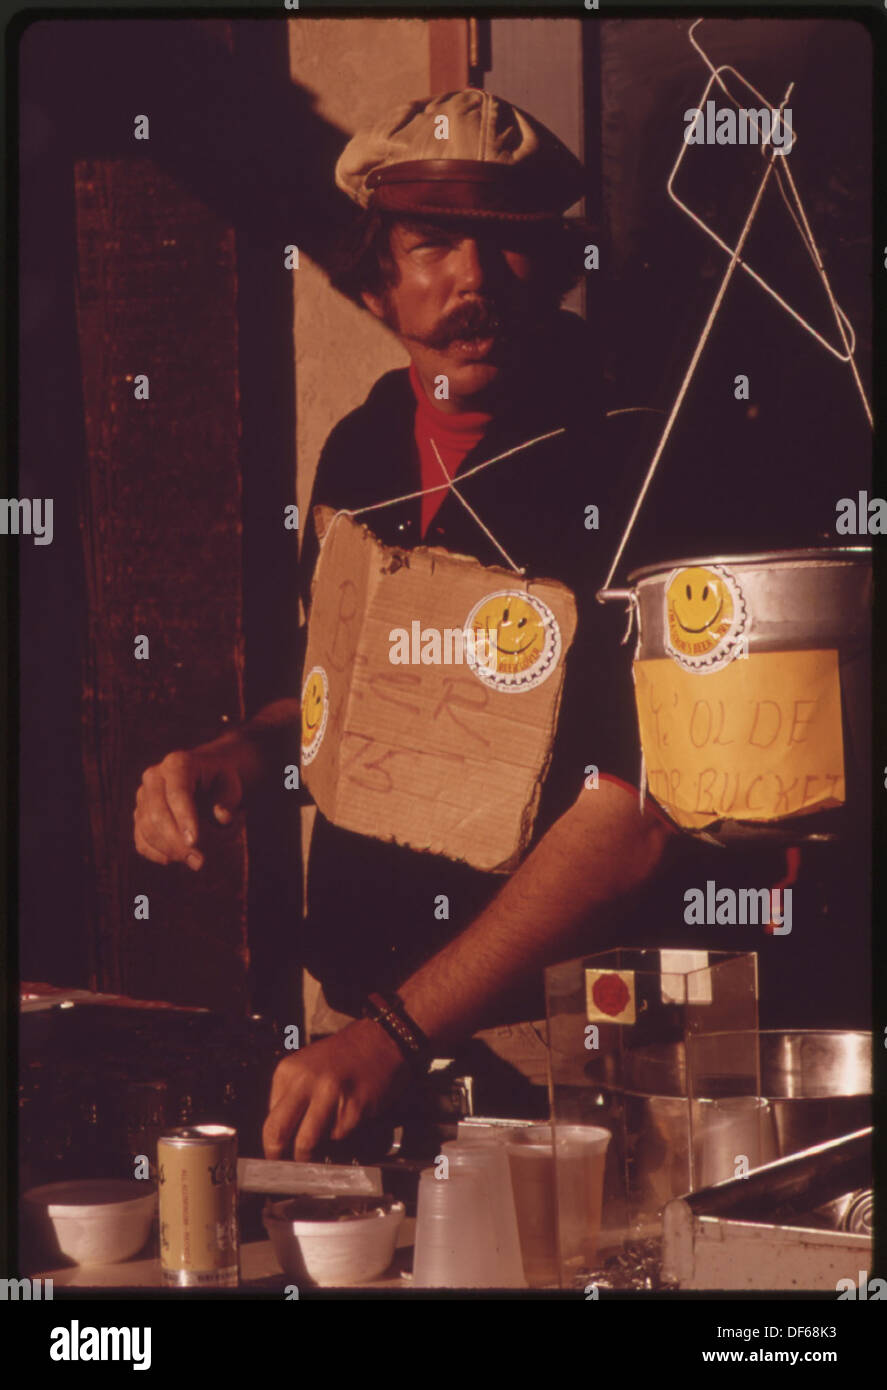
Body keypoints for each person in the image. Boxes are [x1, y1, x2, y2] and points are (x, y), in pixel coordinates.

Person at [132, 89, 691, 1158]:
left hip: (558, 1068)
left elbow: (635, 812)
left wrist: (392, 1032)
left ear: (563, 261)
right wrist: (239, 756)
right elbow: (349, 705)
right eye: (432, 244)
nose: (471, 283)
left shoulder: (637, 453)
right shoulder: (362, 448)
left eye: (508, 246)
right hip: (355, 1048)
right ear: (377, 276)